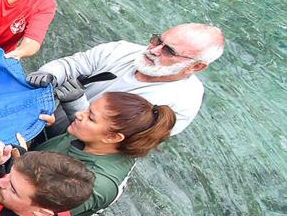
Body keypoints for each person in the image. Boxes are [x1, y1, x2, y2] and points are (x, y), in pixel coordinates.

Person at [0, 92, 175, 216]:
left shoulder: (98, 183)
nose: (79, 114)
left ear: (113, 137)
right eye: (88, 108)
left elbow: (34, 211)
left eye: (91, 117)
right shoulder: (90, 138)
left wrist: (14, 163)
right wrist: (51, 128)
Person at [27, 23, 223, 137]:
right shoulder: (123, 50)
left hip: (75, 148)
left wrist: (75, 103)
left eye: (169, 51)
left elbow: (117, 141)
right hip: (53, 116)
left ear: (196, 66)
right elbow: (73, 64)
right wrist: (50, 74)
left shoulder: (179, 104)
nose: (153, 50)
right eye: (157, 40)